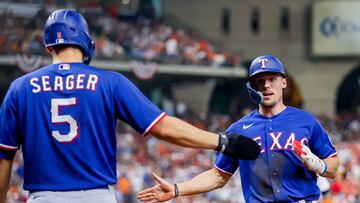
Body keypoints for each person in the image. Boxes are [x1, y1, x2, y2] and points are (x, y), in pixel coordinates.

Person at [0, 9, 260, 203]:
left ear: (48, 46)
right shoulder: (109, 82)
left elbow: (4, 158)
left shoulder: (20, 88)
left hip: (43, 197)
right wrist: (223, 142)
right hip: (96, 197)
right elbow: (164, 128)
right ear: (86, 43)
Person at [137, 55, 340, 203]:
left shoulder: (305, 121)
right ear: (253, 88)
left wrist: (318, 165)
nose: (267, 85)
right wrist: (176, 189)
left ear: (284, 82)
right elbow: (219, 176)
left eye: (272, 79)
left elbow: (333, 166)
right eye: (260, 81)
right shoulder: (239, 129)